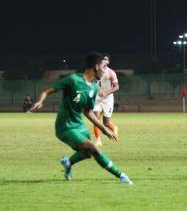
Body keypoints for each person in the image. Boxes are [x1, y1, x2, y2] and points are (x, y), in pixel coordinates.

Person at [29, 52, 133, 185]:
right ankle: (121, 176)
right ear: (96, 67)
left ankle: (68, 163)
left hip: (79, 126)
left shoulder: (94, 88)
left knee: (87, 153)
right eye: (103, 67)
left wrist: (104, 129)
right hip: (65, 126)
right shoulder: (73, 80)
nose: (105, 71)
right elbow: (47, 90)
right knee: (94, 148)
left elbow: (88, 111)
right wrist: (39, 101)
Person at [93, 54, 120, 147]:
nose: (104, 61)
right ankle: (98, 140)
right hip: (97, 98)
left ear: (108, 62)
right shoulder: (95, 71)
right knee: (95, 119)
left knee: (106, 123)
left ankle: (114, 127)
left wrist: (106, 93)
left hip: (108, 98)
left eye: (106, 59)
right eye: (102, 59)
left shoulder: (111, 73)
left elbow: (117, 87)